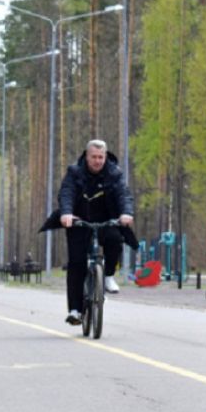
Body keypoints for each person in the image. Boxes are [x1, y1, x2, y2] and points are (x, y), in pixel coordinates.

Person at [58, 139, 135, 325]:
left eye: (101, 157)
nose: (97, 161)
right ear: (87, 156)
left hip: (105, 221)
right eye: (94, 157)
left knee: (115, 239)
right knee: (77, 264)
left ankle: (107, 275)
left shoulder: (114, 173)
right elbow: (66, 193)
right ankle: (75, 310)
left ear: (106, 157)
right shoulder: (74, 172)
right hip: (79, 222)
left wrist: (126, 213)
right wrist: (67, 213)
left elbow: (123, 194)